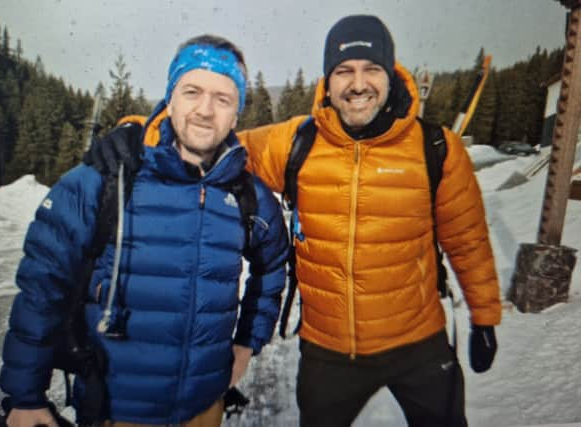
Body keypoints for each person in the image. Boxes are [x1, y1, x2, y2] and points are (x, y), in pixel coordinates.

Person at [94, 15, 502, 427]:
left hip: (419, 343)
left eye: (371, 69)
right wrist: (138, 133)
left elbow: (467, 239)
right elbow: (210, 137)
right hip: (329, 353)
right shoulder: (297, 142)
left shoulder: (436, 148)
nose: (358, 84)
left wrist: (484, 318)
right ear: (328, 80)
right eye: (344, 71)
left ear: (391, 75)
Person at [0, 34, 289, 427]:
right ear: (170, 99)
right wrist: (25, 396)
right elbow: (41, 285)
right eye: (192, 91)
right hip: (116, 413)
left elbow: (272, 265)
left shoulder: (247, 194)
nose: (206, 110)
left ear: (237, 112)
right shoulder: (104, 180)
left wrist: (247, 341)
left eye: (223, 98)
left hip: (205, 409)